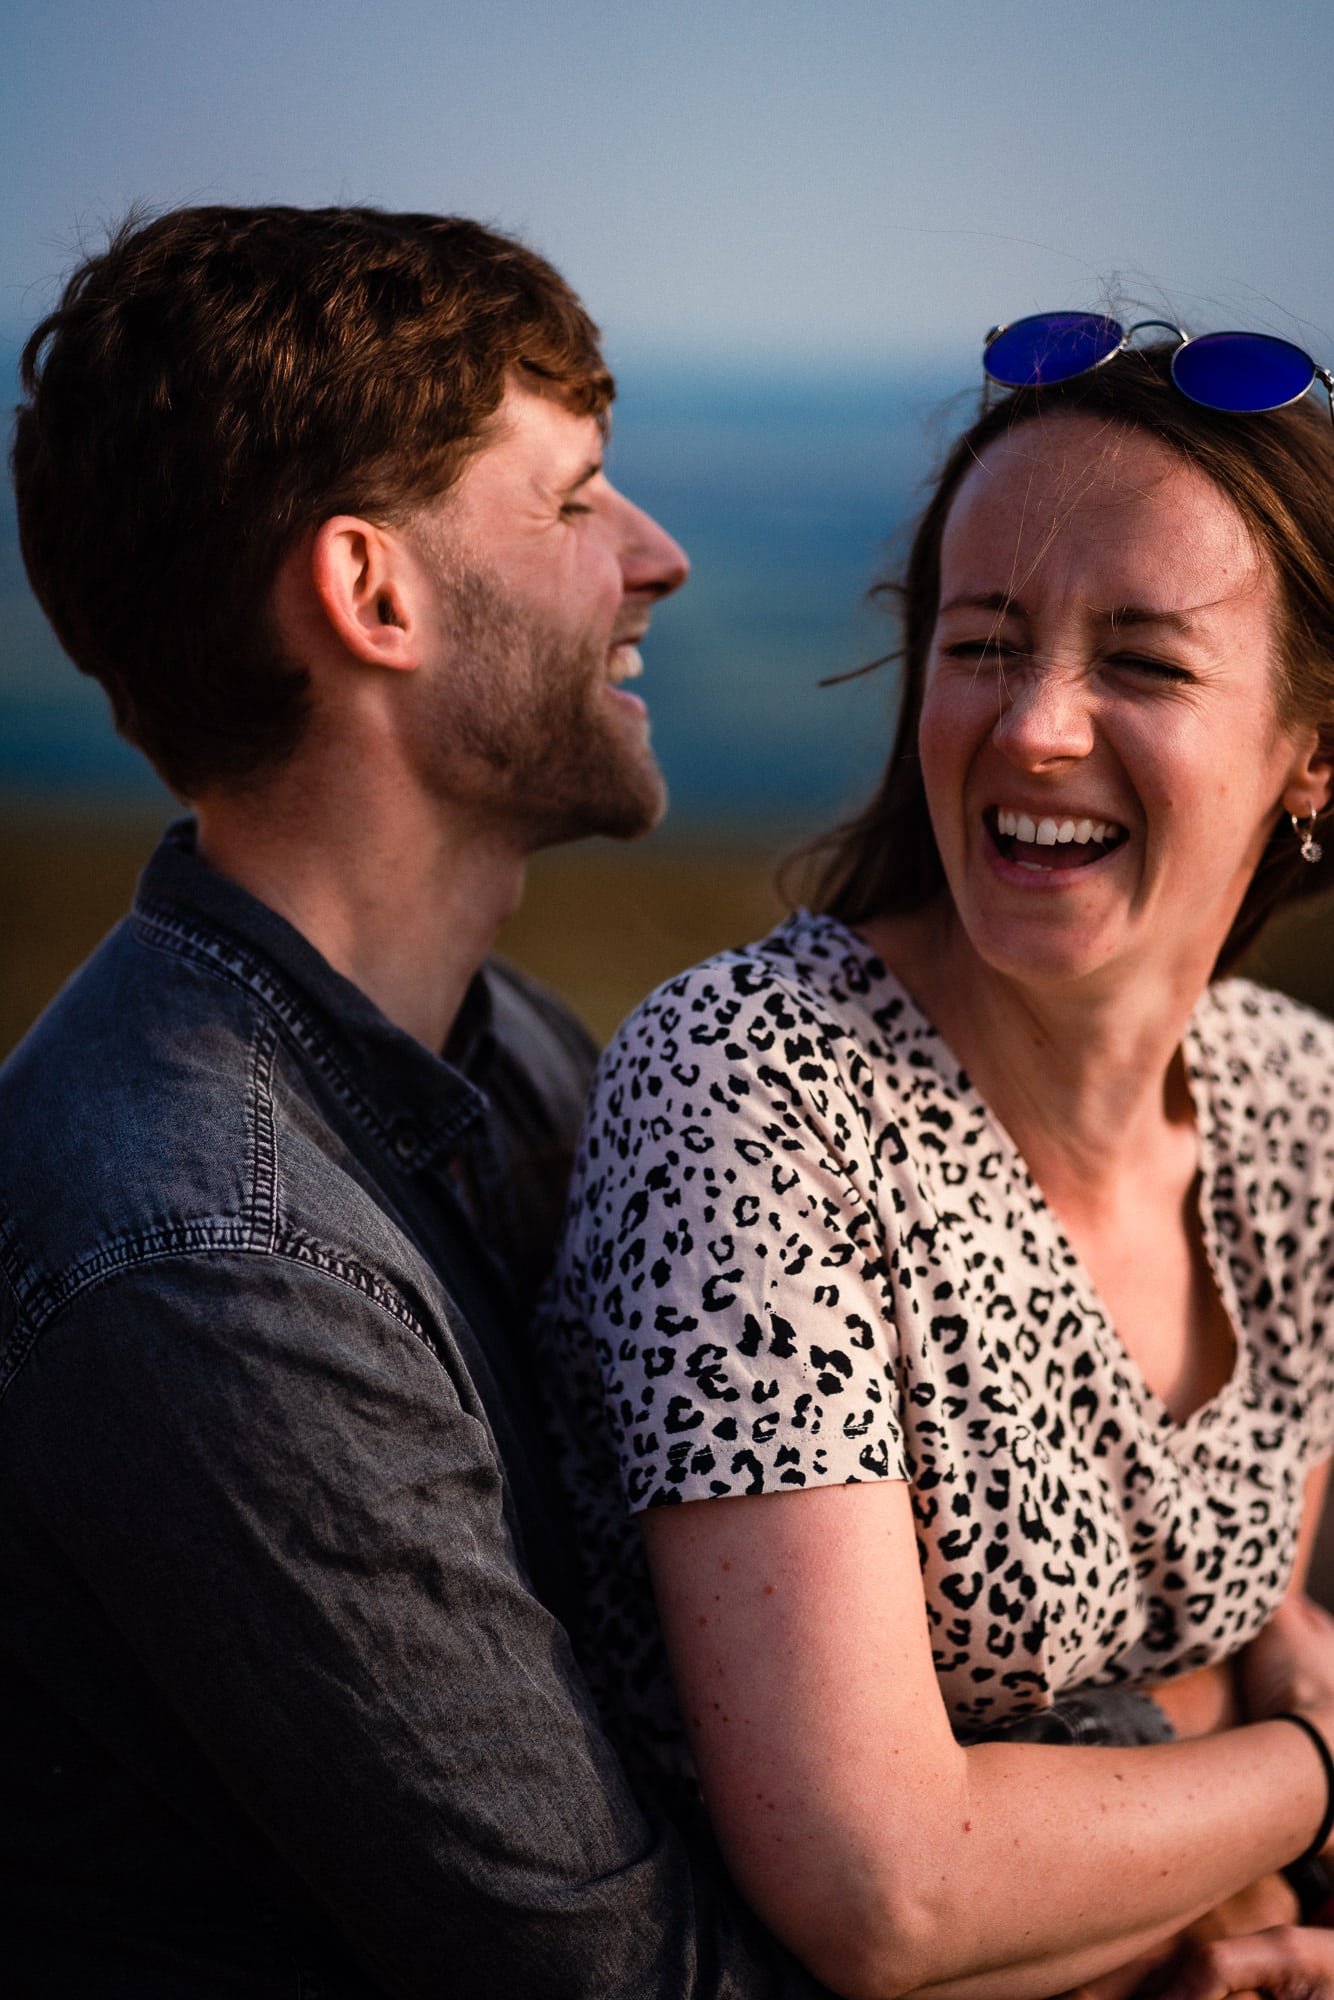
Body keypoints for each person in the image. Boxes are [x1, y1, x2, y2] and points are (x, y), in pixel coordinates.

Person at [0, 201, 860, 1999]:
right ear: (369, 593)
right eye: (568, 502)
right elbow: (613, 1980)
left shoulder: (518, 1051)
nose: (658, 554)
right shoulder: (203, 1259)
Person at [546, 317, 1334, 2000]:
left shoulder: (1299, 1111)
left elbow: (1249, 1646)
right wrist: (1297, 1777)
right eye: (981, 644)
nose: (1034, 726)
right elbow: (881, 1894)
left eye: (1141, 660)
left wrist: (1247, 1894)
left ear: (1313, 753)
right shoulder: (757, 1095)